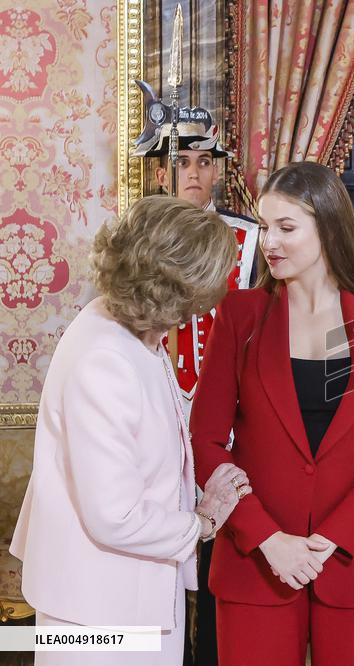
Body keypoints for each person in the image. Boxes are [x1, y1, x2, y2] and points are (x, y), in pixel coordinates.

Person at [190, 161, 354, 665]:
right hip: (256, 565)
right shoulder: (240, 314)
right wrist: (267, 539)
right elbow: (206, 440)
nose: (269, 242)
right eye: (265, 226)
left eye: (286, 228)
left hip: (353, 562)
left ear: (328, 226)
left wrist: (331, 539)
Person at [10, 196, 252, 665]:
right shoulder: (106, 359)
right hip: (100, 606)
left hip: (122, 591)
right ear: (174, 290)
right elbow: (114, 515)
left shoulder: (129, 326)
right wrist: (200, 522)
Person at [134, 121, 260, 665]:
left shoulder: (246, 238)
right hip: (160, 405)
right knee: (162, 536)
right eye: (183, 162)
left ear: (218, 171)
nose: (194, 172)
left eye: (204, 162)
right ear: (164, 171)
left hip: (223, 414)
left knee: (217, 546)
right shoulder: (143, 236)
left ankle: (210, 652)